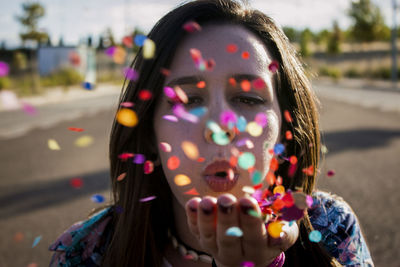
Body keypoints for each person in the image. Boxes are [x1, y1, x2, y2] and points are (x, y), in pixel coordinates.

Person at [49, 0, 374, 266]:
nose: (220, 127)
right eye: (189, 101)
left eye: (248, 98)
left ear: (285, 131)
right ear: (149, 133)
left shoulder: (331, 230)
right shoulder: (85, 253)